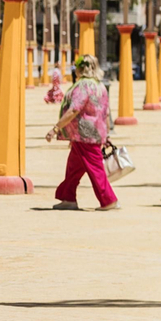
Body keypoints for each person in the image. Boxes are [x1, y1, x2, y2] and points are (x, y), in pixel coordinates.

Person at [45, 55, 118, 211]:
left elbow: (74, 109)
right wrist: (105, 134)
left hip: (85, 134)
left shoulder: (83, 86)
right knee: (74, 167)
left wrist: (56, 128)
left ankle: (108, 200)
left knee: (95, 168)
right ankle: (68, 198)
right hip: (89, 134)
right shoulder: (100, 86)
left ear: (80, 68)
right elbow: (105, 112)